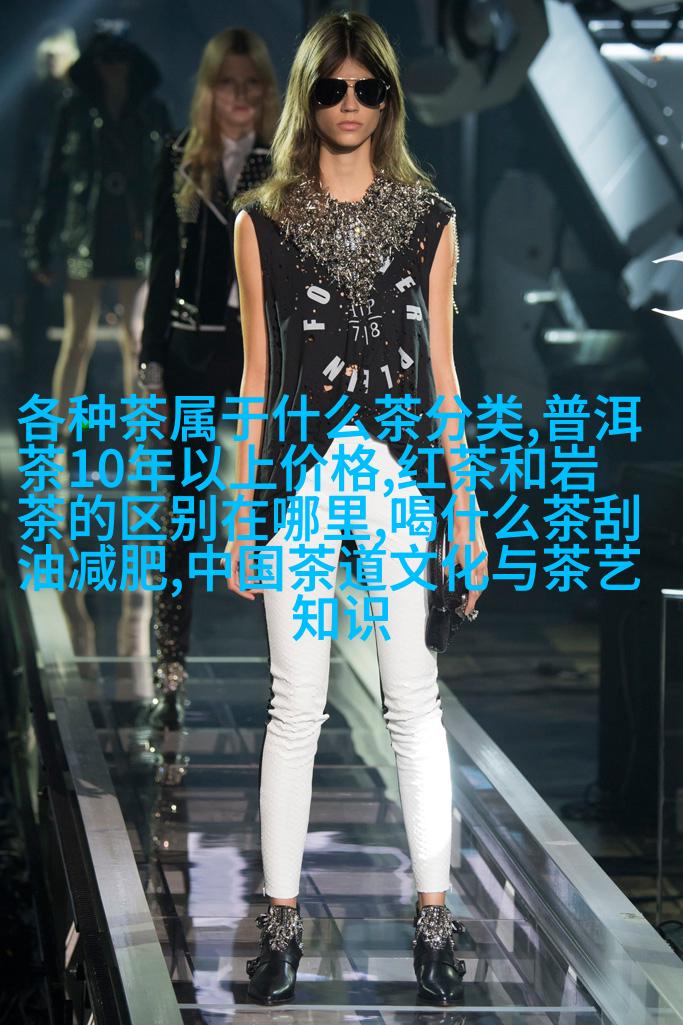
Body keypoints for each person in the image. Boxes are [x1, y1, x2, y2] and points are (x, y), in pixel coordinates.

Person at [223, 10, 488, 1006]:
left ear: (388, 98)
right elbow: (255, 376)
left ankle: (434, 921)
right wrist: (235, 511)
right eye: (331, 88)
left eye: (366, 88)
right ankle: (280, 925)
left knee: (411, 701)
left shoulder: (429, 217)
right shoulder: (260, 221)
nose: (348, 104)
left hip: (403, 481)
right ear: (307, 96)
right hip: (294, 478)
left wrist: (466, 510)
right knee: (293, 704)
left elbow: (443, 373)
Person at [137, 27, 278, 722]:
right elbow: (163, 259)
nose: (240, 96)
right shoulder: (179, 157)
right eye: (229, 83)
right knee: (185, 510)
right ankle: (170, 666)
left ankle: (293, 671)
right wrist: (150, 355)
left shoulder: (283, 160)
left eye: (251, 84)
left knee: (277, 508)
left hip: (262, 353)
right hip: (193, 349)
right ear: (210, 89)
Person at [25, 25, 172, 482]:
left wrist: (172, 243)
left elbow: (171, 182)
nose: (113, 69)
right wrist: (40, 243)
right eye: (105, 60)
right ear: (93, 64)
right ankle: (60, 441)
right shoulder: (75, 110)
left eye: (119, 59)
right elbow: (54, 180)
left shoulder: (151, 110)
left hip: (134, 235)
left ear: (132, 63)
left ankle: (141, 441)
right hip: (86, 234)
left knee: (135, 339)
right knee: (78, 340)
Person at [12, 27, 79, 395]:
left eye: (58, 54)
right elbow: (25, 159)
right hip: (41, 208)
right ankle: (31, 376)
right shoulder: (36, 100)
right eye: (48, 55)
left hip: (68, 212)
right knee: (36, 300)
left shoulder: (78, 100)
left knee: (74, 306)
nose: (53, 61)